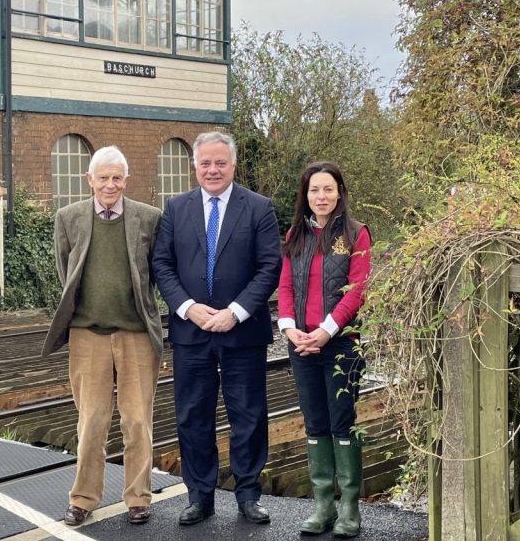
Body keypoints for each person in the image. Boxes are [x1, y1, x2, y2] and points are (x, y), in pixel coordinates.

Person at [152, 131, 282, 526]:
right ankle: (200, 496)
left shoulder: (258, 208)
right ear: (195, 166)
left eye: (220, 163)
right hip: (192, 332)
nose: (212, 170)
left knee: (249, 415)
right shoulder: (176, 208)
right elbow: (162, 264)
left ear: (233, 165)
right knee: (193, 415)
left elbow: (269, 267)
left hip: (242, 331)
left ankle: (247, 495)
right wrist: (188, 309)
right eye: (205, 163)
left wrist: (236, 311)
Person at [40, 146, 163, 526]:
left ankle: (138, 497)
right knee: (91, 422)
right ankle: (83, 498)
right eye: (103, 177)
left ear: (127, 180)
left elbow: (157, 273)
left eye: (117, 178)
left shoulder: (150, 218)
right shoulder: (68, 218)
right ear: (89, 180)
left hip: (136, 334)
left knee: (137, 420)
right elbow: (67, 272)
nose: (110, 185)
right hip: (87, 335)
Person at [277, 161, 371, 538]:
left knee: (341, 421)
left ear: (339, 192)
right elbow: (285, 288)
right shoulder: (295, 234)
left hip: (342, 344)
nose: (321, 197)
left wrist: (327, 331)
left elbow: (358, 290)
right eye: (315, 190)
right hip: (302, 345)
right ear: (306, 195)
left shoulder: (355, 234)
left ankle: (349, 507)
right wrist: (290, 329)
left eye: (328, 189)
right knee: (315, 422)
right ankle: (323, 506)